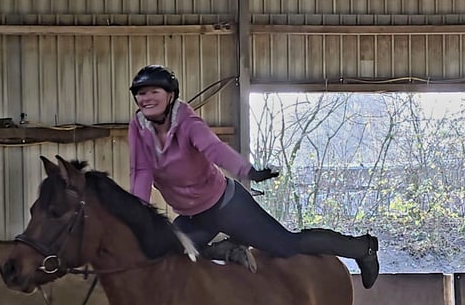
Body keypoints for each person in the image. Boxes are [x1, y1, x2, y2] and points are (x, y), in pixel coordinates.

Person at [127, 64, 380, 289]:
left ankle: (362, 247)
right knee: (165, 252)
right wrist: (137, 214)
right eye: (140, 93)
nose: (146, 98)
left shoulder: (189, 124)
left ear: (170, 95)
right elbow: (141, 171)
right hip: (194, 218)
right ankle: (225, 249)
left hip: (226, 206)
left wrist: (247, 171)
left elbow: (214, 149)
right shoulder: (138, 128)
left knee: (286, 245)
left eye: (153, 92)